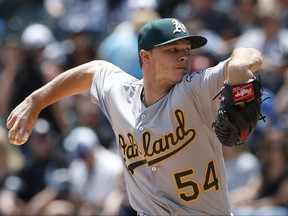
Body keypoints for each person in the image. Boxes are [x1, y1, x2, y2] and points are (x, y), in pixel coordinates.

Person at [5, 18, 263, 215]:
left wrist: (240, 63)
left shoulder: (194, 88)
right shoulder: (121, 93)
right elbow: (93, 71)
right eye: (172, 50)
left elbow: (248, 56)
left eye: (186, 48)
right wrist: (36, 100)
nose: (184, 55)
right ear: (146, 56)